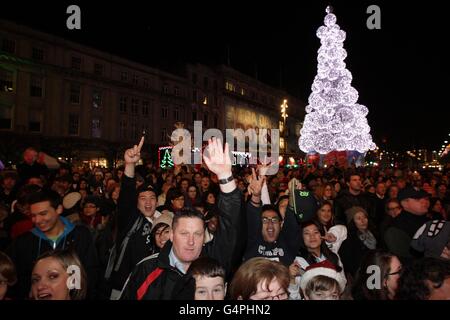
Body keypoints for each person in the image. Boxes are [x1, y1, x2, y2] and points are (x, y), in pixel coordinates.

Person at [119, 137, 242, 300]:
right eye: (184, 233)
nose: (191, 241)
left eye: (197, 234)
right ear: (171, 235)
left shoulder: (213, 263)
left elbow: (231, 226)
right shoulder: (147, 270)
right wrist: (129, 166)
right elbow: (125, 206)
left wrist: (225, 175)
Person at [7, 189, 98, 299]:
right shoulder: (24, 241)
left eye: (43, 214)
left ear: (58, 209)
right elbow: (16, 278)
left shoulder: (80, 235)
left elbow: (90, 273)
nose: (37, 220)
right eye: (33, 215)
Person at [106, 135, 162, 299]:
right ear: (136, 202)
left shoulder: (164, 222)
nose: (148, 203)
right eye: (143, 198)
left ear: (157, 201)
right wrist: (130, 165)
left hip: (152, 288)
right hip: (125, 288)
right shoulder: (130, 219)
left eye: (152, 198)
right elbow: (126, 195)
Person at [244, 168, 301, 266]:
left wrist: (293, 196)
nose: (270, 224)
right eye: (265, 220)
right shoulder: (251, 243)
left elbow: (291, 221)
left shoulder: (287, 243)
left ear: (280, 224)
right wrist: (256, 195)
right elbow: (252, 218)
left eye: (274, 220)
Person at [384, 186, 430, 261]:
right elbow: (407, 261)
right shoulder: (396, 228)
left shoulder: (429, 220)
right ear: (404, 204)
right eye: (417, 199)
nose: (424, 201)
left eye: (426, 198)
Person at [339, 206, 378, 278]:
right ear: (352, 221)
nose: (363, 221)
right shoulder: (349, 239)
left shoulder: (374, 233)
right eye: (358, 218)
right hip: (362, 276)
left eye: (364, 217)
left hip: (377, 270)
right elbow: (350, 264)